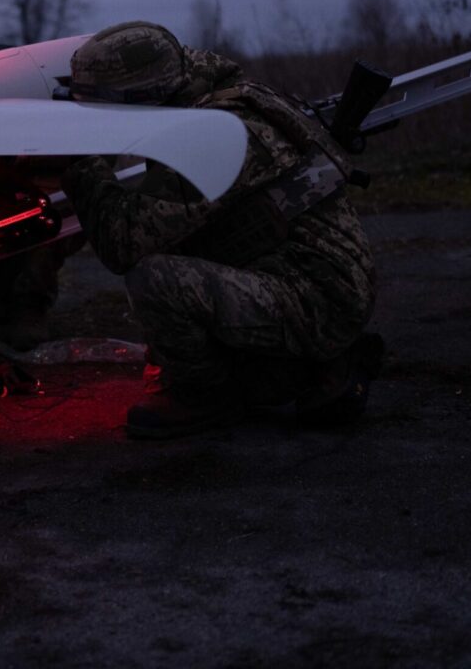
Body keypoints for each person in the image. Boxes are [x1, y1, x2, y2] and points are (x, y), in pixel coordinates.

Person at [59, 22, 381, 439]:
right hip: (302, 274)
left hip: (317, 296)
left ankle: (206, 397)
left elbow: (123, 242)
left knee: (155, 281)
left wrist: (80, 163)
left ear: (143, 97)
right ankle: (313, 366)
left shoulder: (212, 138)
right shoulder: (205, 94)